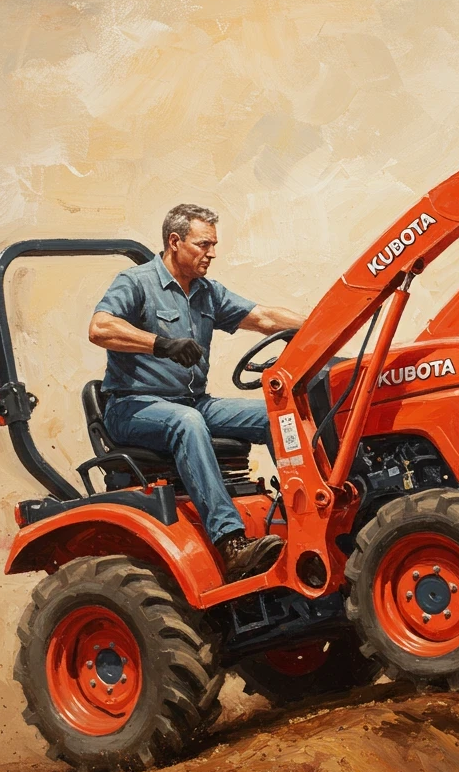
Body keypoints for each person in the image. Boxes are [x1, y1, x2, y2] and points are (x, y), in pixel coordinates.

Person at [89, 204, 306, 582]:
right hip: (132, 406)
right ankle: (231, 543)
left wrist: (327, 322)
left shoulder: (206, 293)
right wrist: (161, 344)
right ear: (175, 242)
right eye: (203, 244)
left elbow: (265, 319)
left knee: (273, 415)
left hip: (193, 402)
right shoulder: (137, 282)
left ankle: (305, 521)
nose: (212, 253)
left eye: (214, 244)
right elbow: (100, 328)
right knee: (186, 422)